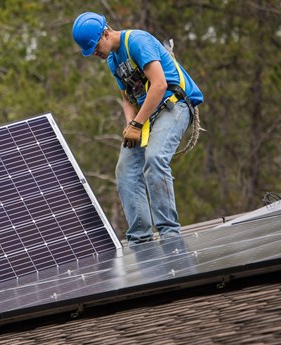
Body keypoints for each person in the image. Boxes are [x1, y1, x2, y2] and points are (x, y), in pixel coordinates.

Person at [72, 12, 203, 245]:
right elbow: (127, 97)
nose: (95, 53)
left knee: (154, 159)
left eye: (94, 47)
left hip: (175, 104)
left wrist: (136, 124)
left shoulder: (136, 41)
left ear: (105, 33)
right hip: (146, 115)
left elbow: (160, 84)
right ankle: (140, 239)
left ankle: (169, 233)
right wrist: (129, 125)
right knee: (125, 170)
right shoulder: (113, 60)